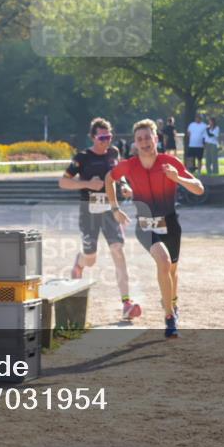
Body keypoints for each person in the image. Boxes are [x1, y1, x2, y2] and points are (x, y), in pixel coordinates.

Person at [106, 119, 204, 339]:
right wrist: (115, 209)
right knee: (164, 261)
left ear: (156, 139)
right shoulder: (130, 165)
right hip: (145, 224)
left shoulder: (170, 162)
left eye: (148, 138)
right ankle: (170, 318)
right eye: (139, 139)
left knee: (172, 271)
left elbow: (199, 189)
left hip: (170, 223)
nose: (144, 142)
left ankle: (172, 303)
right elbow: (108, 178)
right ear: (135, 144)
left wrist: (177, 178)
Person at [59, 118, 140, 321]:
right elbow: (63, 182)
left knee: (118, 250)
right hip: (89, 211)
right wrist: (87, 183)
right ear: (93, 137)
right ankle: (79, 263)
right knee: (91, 258)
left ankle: (126, 303)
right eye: (102, 137)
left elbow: (118, 174)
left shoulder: (114, 153)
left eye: (109, 136)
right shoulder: (83, 157)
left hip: (111, 209)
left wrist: (124, 186)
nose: (106, 141)